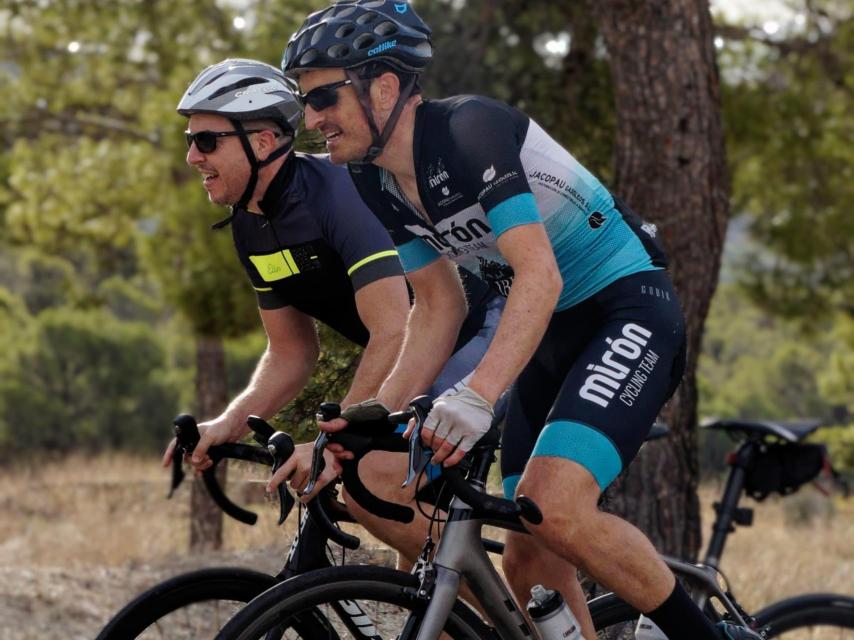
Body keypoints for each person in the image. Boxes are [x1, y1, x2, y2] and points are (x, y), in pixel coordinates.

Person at [282, 3, 761, 639]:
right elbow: (438, 306)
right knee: (530, 553)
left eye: (324, 99)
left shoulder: (468, 129)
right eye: (305, 102)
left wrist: (477, 394)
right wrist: (369, 416)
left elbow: (540, 274)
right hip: (551, 333)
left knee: (556, 506)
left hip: (625, 307)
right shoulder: (377, 178)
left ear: (385, 87)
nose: (311, 120)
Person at [164, 58, 505, 568]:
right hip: (417, 359)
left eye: (207, 141)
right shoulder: (250, 225)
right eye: (189, 140)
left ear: (261, 142)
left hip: (475, 336)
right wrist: (230, 422)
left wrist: (328, 442)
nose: (193, 156)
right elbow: (292, 351)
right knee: (416, 573)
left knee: (372, 482)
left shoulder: (338, 194)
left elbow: (391, 329)